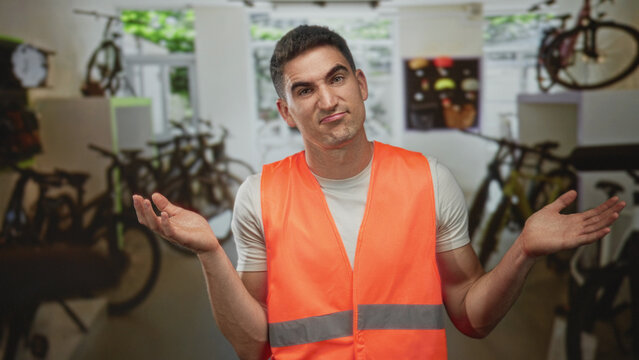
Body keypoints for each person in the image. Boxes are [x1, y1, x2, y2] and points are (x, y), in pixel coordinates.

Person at [132, 25, 625, 359]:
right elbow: (252, 342)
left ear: (360, 84)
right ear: (286, 112)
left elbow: (473, 316)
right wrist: (209, 253)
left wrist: (523, 250)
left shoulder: (429, 179)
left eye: (337, 77)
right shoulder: (258, 195)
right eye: (304, 90)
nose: (327, 100)